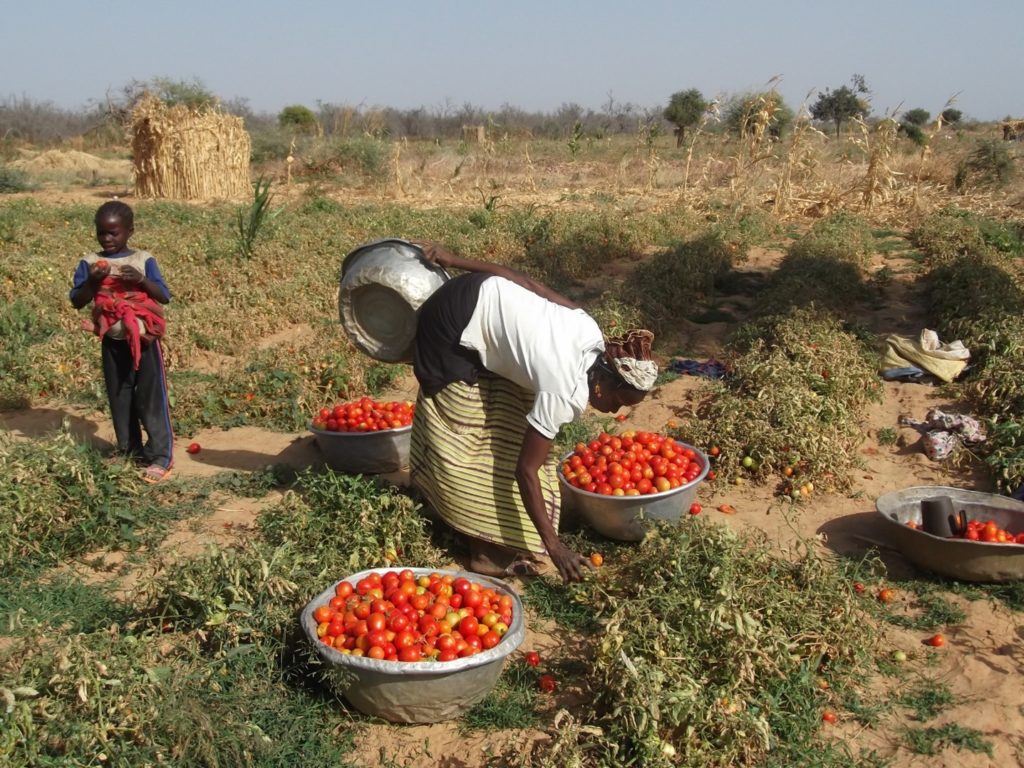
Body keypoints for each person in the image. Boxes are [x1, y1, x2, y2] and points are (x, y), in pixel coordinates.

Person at [409, 242, 658, 583]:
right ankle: (480, 547)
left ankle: (501, 528)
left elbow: (527, 284)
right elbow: (525, 470)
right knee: (465, 434)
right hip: (447, 327)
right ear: (602, 385)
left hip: (473, 291)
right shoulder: (563, 389)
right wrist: (555, 548)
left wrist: (455, 260)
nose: (615, 410)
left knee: (512, 410)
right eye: (619, 401)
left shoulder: (590, 332)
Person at [69, 201, 174, 483]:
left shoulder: (143, 260)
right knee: (120, 396)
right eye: (102, 233)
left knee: (150, 398)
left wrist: (141, 281)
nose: (107, 239)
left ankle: (161, 456)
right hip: (113, 342)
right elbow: (77, 300)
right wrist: (92, 282)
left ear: (129, 231)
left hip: (145, 341)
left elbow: (163, 296)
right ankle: (130, 449)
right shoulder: (90, 263)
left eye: (114, 233)